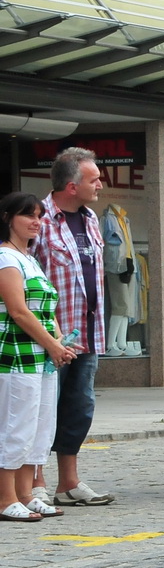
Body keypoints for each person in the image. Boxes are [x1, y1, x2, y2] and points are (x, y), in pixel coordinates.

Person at [33, 147, 112, 507]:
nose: (100, 183)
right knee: (43, 407)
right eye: (94, 178)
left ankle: (68, 483)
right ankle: (35, 482)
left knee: (79, 408)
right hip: (51, 335)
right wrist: (45, 333)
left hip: (88, 331)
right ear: (71, 185)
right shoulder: (38, 220)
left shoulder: (91, 218)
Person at [0, 193, 75, 522]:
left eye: (39, 215)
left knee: (40, 426)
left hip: (42, 358)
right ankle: (5, 498)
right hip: (17, 355)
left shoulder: (30, 258)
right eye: (27, 215)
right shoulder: (5, 258)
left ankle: (26, 493)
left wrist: (59, 340)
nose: (35, 221)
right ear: (8, 218)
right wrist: (53, 344)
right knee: (16, 425)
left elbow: (47, 310)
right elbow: (19, 311)